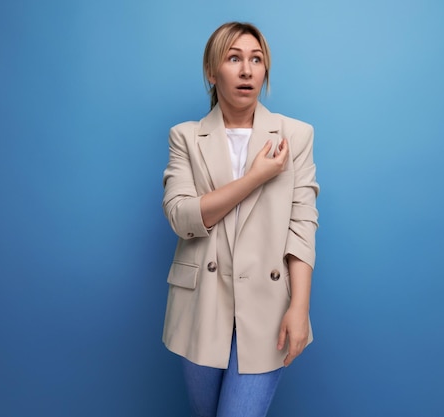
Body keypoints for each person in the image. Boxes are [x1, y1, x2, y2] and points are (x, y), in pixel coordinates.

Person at [161, 21, 319, 417]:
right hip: (200, 305)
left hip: (267, 308)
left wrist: (299, 307)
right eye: (234, 59)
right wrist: (256, 178)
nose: (247, 70)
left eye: (256, 59)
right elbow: (182, 217)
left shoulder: (294, 136)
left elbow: (302, 225)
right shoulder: (185, 137)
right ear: (213, 72)